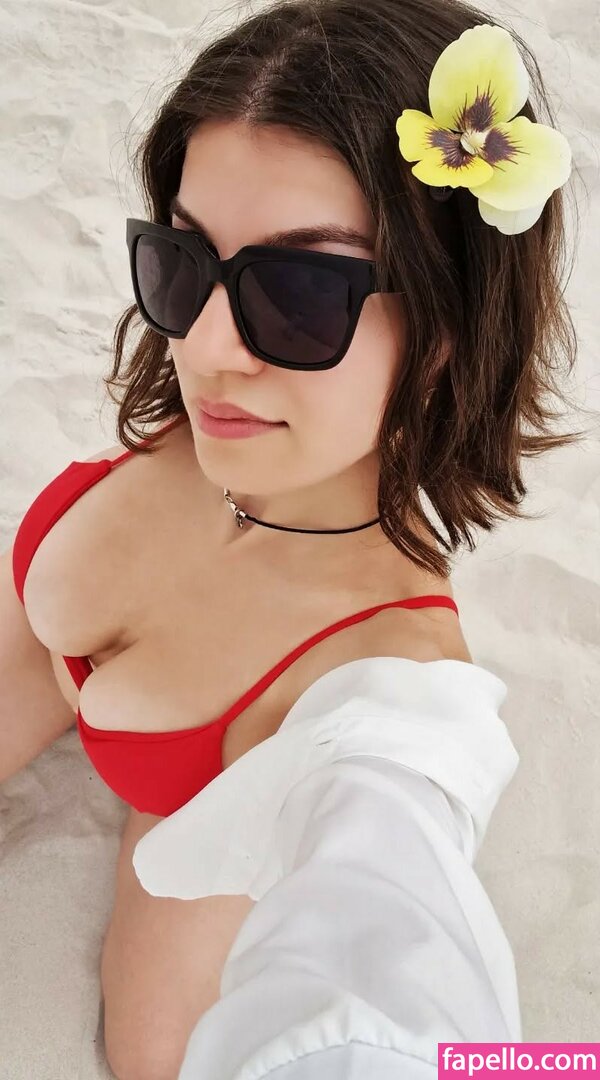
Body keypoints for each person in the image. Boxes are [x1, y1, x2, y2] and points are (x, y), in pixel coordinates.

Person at [2, 0, 591, 1077]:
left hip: (192, 802)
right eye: (182, 260)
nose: (206, 349)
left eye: (301, 291)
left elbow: (392, 967)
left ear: (447, 324)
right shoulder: (237, 412)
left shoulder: (381, 682)